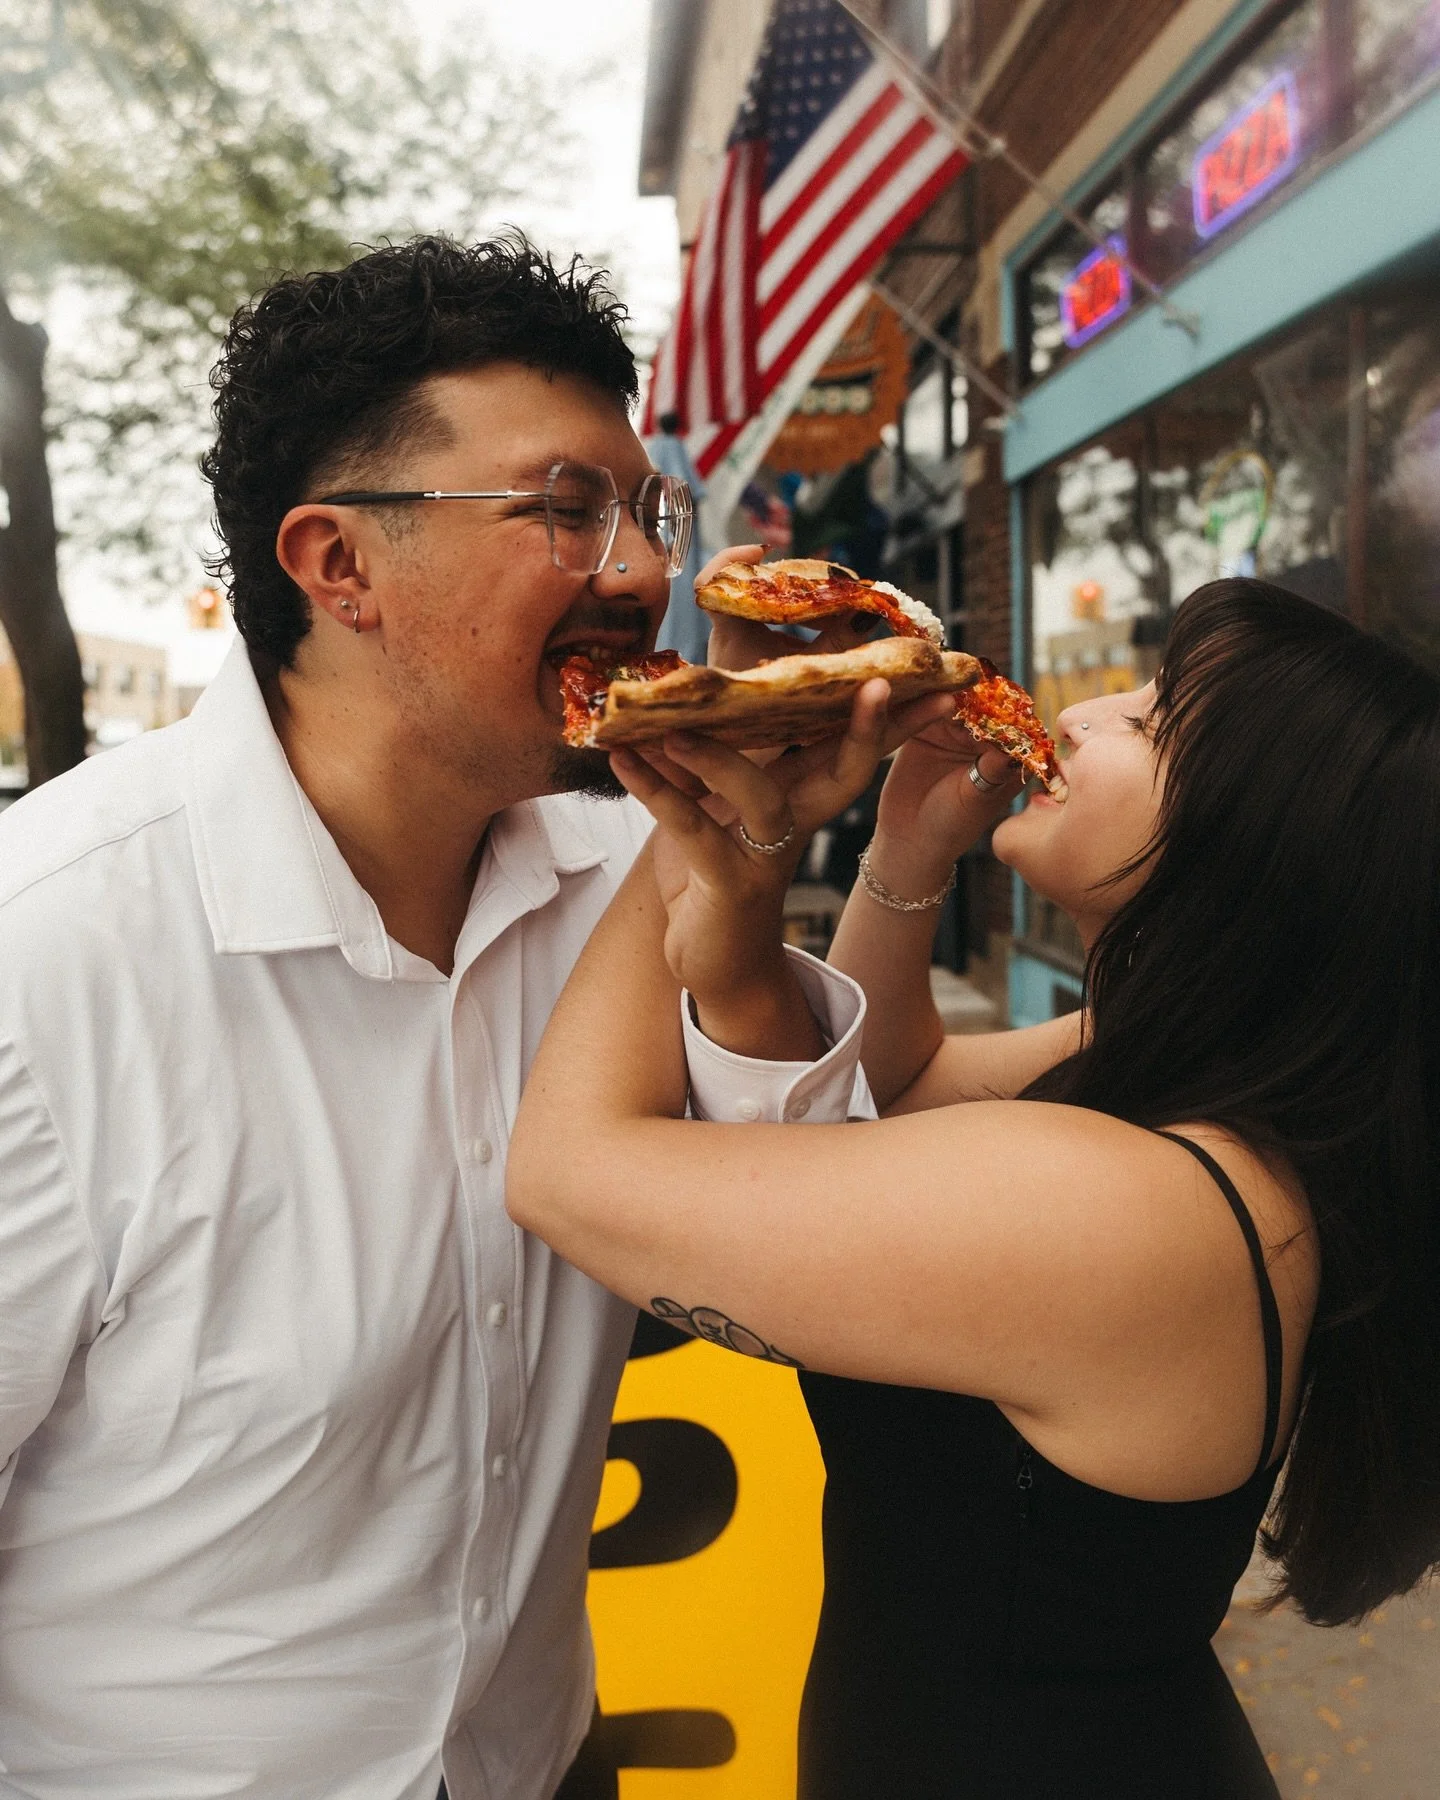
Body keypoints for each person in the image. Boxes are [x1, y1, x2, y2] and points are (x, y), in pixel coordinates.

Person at [0, 235, 883, 1800]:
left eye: (644, 510)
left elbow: (795, 1231)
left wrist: (754, 851)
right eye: (563, 509)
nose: (639, 572)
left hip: (551, 1757)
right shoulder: (49, 956)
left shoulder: (631, 855)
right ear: (338, 567)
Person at [508, 578, 1440, 1798]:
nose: (1091, 711)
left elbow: (571, 1169)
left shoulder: (1130, 1215)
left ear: (1258, 854)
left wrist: (697, 774)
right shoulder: (1170, 1085)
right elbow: (899, 1086)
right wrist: (907, 844)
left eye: (1154, 726)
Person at [646, 410, 711, 665]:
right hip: (678, 540)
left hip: (675, 540)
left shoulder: (659, 449)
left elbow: (675, 492)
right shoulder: (675, 450)